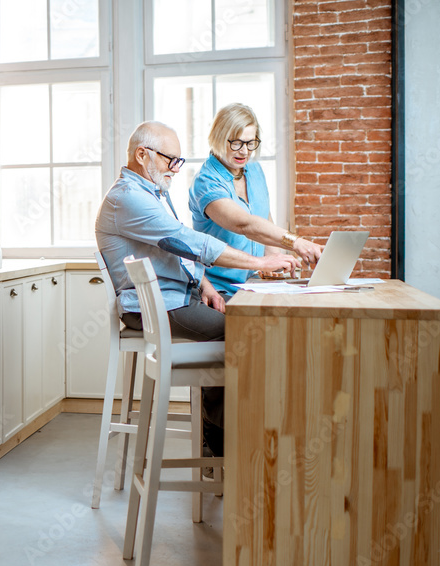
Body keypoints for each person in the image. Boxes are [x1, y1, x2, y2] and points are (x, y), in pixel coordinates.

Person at [95, 121, 299, 456]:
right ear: (141, 155)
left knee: (237, 327)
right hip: (155, 308)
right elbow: (192, 242)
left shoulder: (152, 193)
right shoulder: (128, 198)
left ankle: (223, 439)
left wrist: (204, 285)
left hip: (173, 300)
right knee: (240, 332)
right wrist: (261, 263)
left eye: (178, 161)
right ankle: (220, 446)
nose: (174, 168)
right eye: (169, 160)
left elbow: (176, 248)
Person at [189, 103, 323, 297]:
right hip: (219, 289)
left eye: (251, 143)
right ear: (218, 138)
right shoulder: (206, 182)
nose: (244, 151)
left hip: (254, 283)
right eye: (236, 143)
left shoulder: (254, 170)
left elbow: (264, 218)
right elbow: (244, 224)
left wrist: (275, 264)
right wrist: (296, 242)